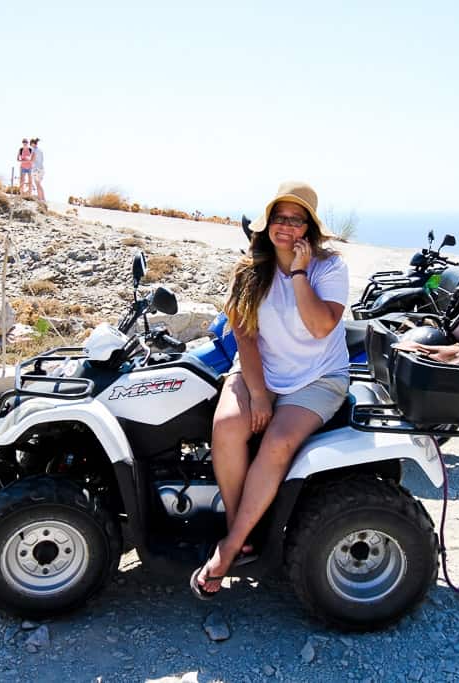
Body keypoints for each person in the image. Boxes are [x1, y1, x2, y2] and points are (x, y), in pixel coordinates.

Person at [190, 181, 350, 600]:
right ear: (267, 223)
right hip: (261, 371)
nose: (286, 226)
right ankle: (239, 535)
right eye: (279, 217)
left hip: (317, 377)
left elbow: (320, 327)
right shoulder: (249, 268)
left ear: (309, 229)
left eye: (297, 220)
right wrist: (258, 394)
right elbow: (243, 335)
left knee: (277, 441)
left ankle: (226, 551)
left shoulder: (329, 268)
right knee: (226, 426)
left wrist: (298, 273)